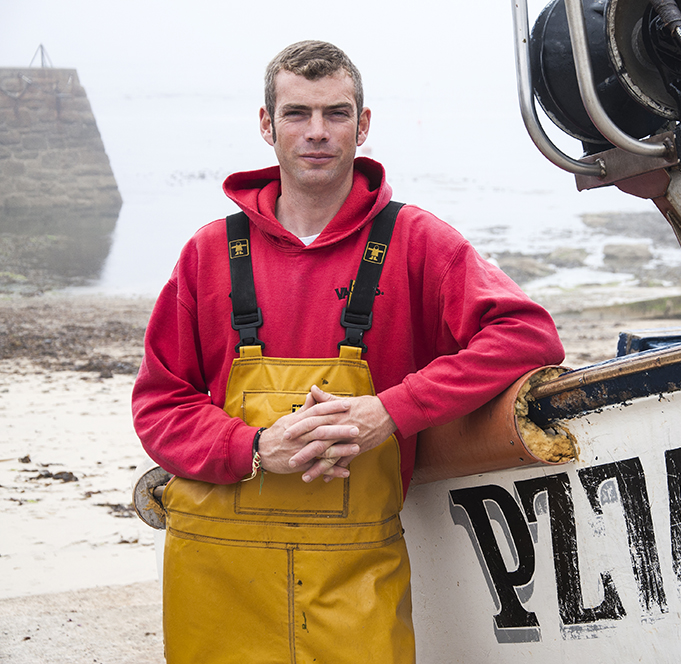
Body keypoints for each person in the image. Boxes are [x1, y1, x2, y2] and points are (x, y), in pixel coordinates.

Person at [132, 40, 564, 663]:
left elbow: (527, 336)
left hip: (355, 573)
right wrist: (253, 448)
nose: (317, 133)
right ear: (265, 124)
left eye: (336, 114)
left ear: (363, 126)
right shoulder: (208, 253)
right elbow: (159, 405)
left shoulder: (416, 242)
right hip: (215, 574)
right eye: (296, 114)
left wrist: (390, 411)